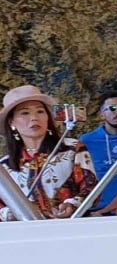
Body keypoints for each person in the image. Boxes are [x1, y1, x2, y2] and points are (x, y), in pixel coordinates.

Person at [0, 85, 96, 220]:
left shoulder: (72, 148)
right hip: (26, 234)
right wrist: (9, 214)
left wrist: (72, 205)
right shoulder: (4, 166)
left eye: (40, 111)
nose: (34, 118)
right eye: (25, 113)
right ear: (12, 123)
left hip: (72, 227)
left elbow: (91, 187)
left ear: (48, 118)